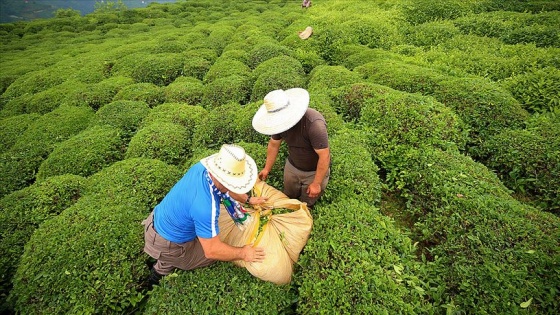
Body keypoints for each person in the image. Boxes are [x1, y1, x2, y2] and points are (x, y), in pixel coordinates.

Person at [142, 144, 268, 288]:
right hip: (168, 242)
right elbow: (212, 251)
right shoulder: (205, 206)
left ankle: (164, 260)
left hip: (159, 219)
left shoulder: (202, 169)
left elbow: (227, 186)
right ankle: (158, 272)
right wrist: (243, 253)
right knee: (219, 253)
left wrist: (248, 200)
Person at [252, 88, 330, 208]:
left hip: (313, 171)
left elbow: (324, 156)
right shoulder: (279, 124)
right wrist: (267, 169)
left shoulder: (314, 125)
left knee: (306, 203)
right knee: (287, 196)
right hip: (292, 166)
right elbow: (273, 144)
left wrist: (316, 183)